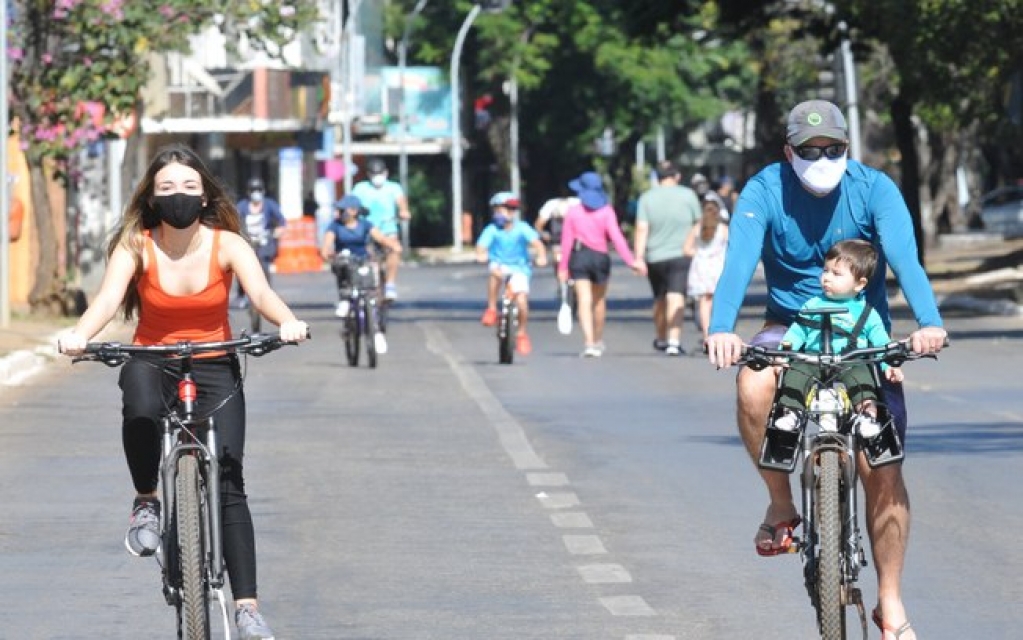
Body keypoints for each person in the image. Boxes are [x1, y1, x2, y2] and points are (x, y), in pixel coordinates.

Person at [705, 99, 946, 640]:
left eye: (832, 149)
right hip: (790, 328)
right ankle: (782, 506)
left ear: (847, 148)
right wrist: (722, 327)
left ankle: (890, 603)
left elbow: (906, 258)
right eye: (809, 150)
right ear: (788, 151)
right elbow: (738, 261)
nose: (821, 157)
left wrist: (928, 322)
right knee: (752, 384)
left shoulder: (874, 188)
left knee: (881, 467)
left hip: (864, 336)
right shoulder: (765, 189)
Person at [57, 143, 309, 640]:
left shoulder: (228, 245)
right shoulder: (137, 245)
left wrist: (288, 322)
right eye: (167, 187)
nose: (178, 196)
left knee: (230, 482)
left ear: (205, 196)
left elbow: (260, 293)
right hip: (152, 359)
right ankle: (147, 498)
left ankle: (247, 608)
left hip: (216, 361)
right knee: (141, 407)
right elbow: (108, 299)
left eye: (189, 187)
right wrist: (80, 335)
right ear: (152, 198)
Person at [771, 239, 903, 437]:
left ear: (860, 284)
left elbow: (881, 343)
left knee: (863, 379)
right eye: (825, 270)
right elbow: (797, 332)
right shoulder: (812, 305)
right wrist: (783, 355)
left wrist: (890, 365)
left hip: (850, 361)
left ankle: (867, 415)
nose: (826, 278)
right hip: (812, 360)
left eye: (836, 274)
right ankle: (792, 413)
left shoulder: (867, 313)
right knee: (795, 374)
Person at [558, 171, 645, 358]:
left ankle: (588, 342)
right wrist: (632, 261)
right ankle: (597, 340)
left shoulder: (573, 212)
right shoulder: (606, 212)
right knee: (599, 301)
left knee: (584, 299)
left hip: (579, 256)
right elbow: (617, 238)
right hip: (600, 258)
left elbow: (566, 242)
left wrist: (563, 267)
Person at [632, 160, 701, 356]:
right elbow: (699, 223)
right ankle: (673, 341)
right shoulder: (688, 195)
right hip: (682, 254)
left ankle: (661, 337)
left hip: (654, 256)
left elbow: (642, 228)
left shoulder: (646, 198)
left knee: (660, 299)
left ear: (657, 177)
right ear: (677, 176)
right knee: (676, 296)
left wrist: (638, 257)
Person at [320, 194, 401, 354]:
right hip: (344, 260)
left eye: (343, 210)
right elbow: (327, 244)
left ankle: (376, 332)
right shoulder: (335, 226)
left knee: (371, 287)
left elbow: (381, 238)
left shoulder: (365, 224)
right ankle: (344, 300)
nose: (340, 212)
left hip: (362, 260)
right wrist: (328, 253)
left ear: (353, 211)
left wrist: (394, 246)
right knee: (342, 266)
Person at [476, 191, 547, 355]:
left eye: (504, 210)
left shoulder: (522, 228)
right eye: (497, 210)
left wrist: (541, 256)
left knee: (522, 302)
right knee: (494, 274)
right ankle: (492, 308)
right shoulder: (492, 229)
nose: (500, 214)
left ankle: (521, 333)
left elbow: (537, 244)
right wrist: (480, 254)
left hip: (519, 268)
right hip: (499, 265)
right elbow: (481, 246)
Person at [350, 158, 411, 301]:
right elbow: (352, 203)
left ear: (386, 173)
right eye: (374, 173)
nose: (377, 177)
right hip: (366, 229)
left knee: (394, 249)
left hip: (387, 228)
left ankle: (390, 284)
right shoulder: (361, 188)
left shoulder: (393, 187)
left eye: (380, 173)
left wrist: (403, 211)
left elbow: (401, 202)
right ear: (369, 174)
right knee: (363, 257)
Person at [683, 195, 729, 348]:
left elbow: (686, 250)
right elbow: (732, 249)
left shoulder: (697, 228)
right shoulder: (723, 229)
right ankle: (719, 331)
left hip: (701, 267)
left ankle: (706, 334)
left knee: (704, 302)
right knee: (719, 300)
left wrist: (699, 252)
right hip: (718, 267)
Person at [234, 177, 287, 309]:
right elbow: (233, 221)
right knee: (242, 266)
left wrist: (277, 232)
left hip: (264, 240)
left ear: (263, 191)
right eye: (253, 190)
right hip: (248, 240)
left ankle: (266, 294)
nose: (255, 193)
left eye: (258, 190)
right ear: (248, 192)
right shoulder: (242, 206)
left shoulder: (269, 204)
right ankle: (242, 293)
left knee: (264, 266)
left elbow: (282, 222)